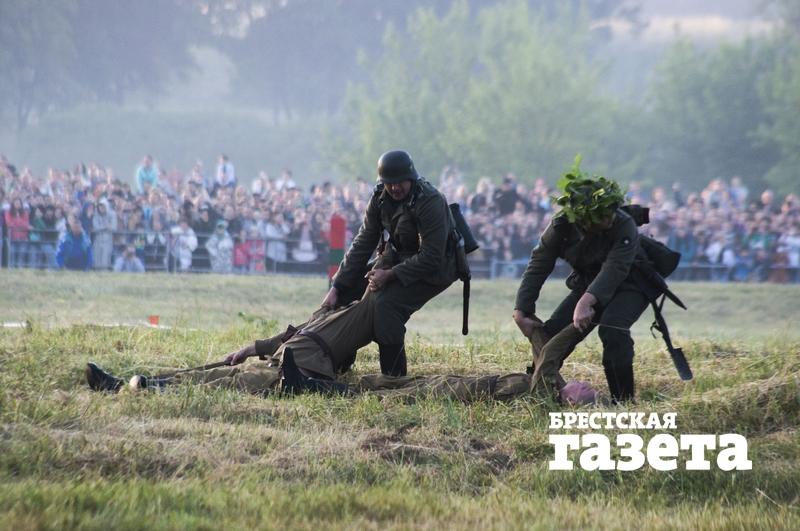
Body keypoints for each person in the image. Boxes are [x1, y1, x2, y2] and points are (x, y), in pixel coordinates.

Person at [84, 290, 596, 404]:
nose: (576, 386)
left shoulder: (539, 388)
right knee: (222, 369)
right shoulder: (341, 309)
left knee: (232, 381)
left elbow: (548, 352)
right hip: (296, 359)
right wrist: (255, 344)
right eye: (580, 387)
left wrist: (574, 328)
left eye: (579, 392)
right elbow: (299, 331)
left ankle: (145, 386)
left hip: (305, 367)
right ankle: (142, 380)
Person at [512, 162, 652, 403]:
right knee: (551, 335)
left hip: (631, 284)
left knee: (613, 330)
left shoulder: (623, 223)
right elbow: (540, 262)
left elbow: (616, 268)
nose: (610, 219)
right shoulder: (561, 227)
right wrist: (522, 308)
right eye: (603, 217)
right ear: (584, 220)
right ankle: (544, 391)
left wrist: (587, 301)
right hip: (588, 282)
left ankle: (623, 402)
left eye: (611, 213)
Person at [321, 150, 459, 377]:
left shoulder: (430, 201)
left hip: (437, 268)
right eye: (389, 183)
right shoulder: (379, 198)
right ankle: (338, 367)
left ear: (411, 178)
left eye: (400, 182)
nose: (395, 188)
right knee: (346, 293)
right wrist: (337, 286)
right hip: (400, 259)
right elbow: (363, 242)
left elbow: (432, 256)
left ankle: (393, 378)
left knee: (386, 305)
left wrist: (390, 275)